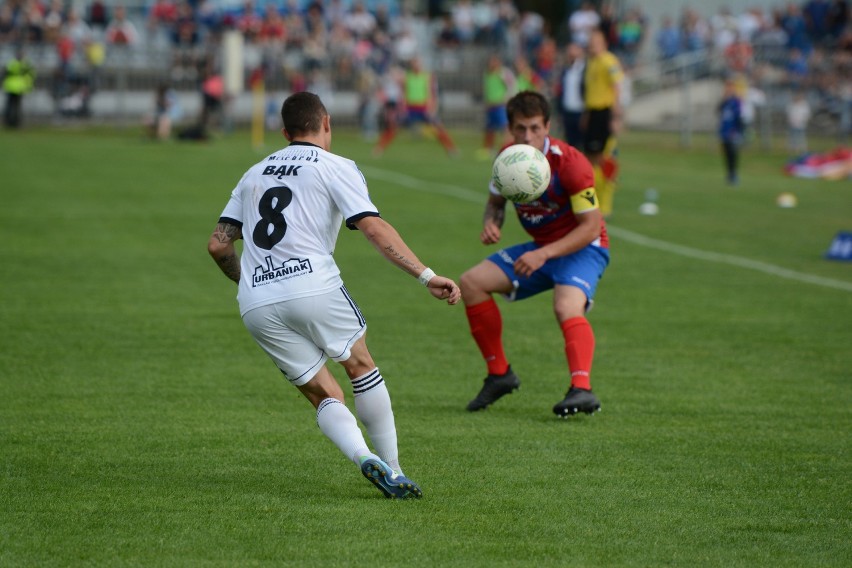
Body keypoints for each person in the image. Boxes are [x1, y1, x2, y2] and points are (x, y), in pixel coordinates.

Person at [207, 92, 461, 499]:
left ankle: (363, 457)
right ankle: (393, 468)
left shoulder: (253, 173)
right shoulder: (337, 165)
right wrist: (425, 274)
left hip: (256, 301)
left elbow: (218, 245)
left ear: (285, 132)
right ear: (327, 123)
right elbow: (375, 229)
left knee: (324, 393)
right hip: (313, 285)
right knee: (359, 365)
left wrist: (248, 282)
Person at [459, 90, 609, 418]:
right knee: (471, 283)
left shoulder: (571, 165)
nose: (527, 137)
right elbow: (495, 205)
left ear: (548, 126)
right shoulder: (507, 160)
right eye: (520, 129)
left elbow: (591, 226)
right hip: (542, 249)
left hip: (583, 247)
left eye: (535, 128)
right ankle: (500, 375)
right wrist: (491, 223)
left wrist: (544, 254)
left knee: (565, 305)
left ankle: (582, 390)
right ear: (510, 129)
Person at [373, 57, 457, 157]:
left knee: (438, 128)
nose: (417, 65)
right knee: (393, 127)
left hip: (423, 108)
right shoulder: (407, 77)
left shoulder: (427, 77)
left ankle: (451, 149)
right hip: (410, 108)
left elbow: (432, 93)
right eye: (414, 63)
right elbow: (403, 92)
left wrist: (432, 106)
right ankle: (380, 148)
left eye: (418, 63)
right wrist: (402, 106)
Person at [582, 30, 624, 218]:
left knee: (606, 159)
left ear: (604, 43)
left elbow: (616, 88)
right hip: (593, 113)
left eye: (595, 42)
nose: (592, 45)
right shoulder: (590, 63)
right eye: (590, 42)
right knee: (590, 158)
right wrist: (586, 114)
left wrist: (615, 116)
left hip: (604, 113)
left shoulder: (609, 61)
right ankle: (591, 203)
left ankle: (605, 206)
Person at [478, 54, 515, 160]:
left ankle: (507, 149)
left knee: (505, 128)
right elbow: (487, 88)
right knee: (490, 128)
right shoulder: (487, 73)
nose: (491, 64)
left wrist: (506, 99)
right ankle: (488, 149)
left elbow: (511, 86)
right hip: (490, 105)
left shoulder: (503, 73)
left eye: (494, 61)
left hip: (500, 105)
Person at [555, 42, 586, 148]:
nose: (571, 54)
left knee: (582, 142)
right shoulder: (565, 70)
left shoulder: (585, 69)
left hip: (580, 111)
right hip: (567, 111)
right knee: (570, 143)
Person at [718, 78, 744, 185]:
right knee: (727, 154)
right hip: (724, 131)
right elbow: (718, 110)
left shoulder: (736, 101)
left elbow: (739, 117)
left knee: (733, 153)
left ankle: (734, 174)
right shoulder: (725, 101)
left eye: (730, 87)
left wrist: (739, 130)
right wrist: (724, 99)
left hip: (733, 132)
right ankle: (729, 174)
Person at [3, 48, 35, 129]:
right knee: (16, 107)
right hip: (19, 87)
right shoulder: (25, 65)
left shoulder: (11, 63)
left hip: (10, 86)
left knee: (10, 106)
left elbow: (5, 74)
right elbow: (30, 75)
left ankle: (9, 123)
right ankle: (16, 123)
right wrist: (28, 86)